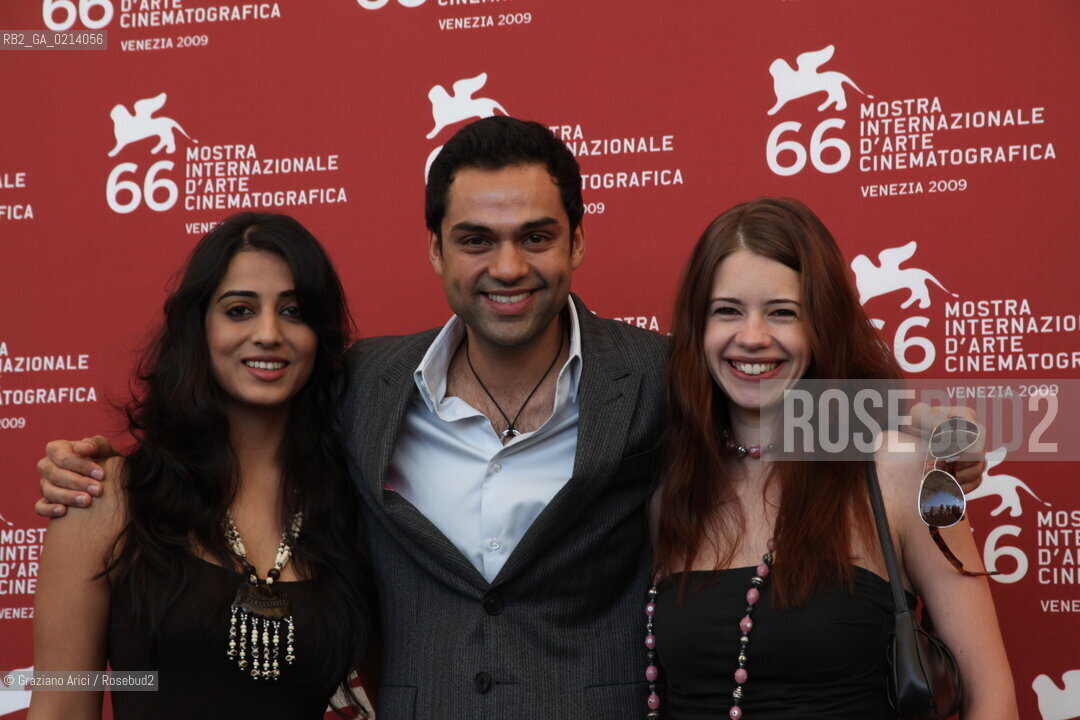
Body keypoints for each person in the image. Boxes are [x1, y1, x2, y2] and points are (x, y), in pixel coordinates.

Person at [34, 119, 986, 720]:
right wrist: (94, 469)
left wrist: (938, 446)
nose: (508, 266)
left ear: (577, 238)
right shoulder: (361, 383)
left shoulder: (660, 379)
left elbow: (797, 414)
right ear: (437, 249)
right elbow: (239, 415)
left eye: (536, 235)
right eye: (476, 239)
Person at [648, 197, 1016, 719]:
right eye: (727, 310)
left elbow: (991, 699)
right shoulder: (672, 487)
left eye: (782, 313)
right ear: (696, 327)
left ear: (823, 324)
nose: (751, 337)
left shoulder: (901, 468)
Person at [29, 213, 371, 719]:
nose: (269, 333)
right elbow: (60, 704)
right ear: (199, 326)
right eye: (239, 310)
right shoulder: (105, 495)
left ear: (319, 334)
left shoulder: (352, 506)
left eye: (294, 311)